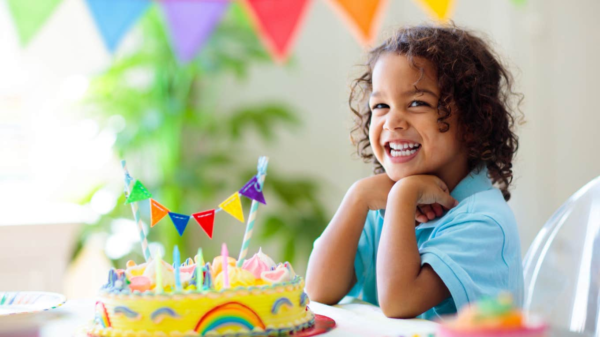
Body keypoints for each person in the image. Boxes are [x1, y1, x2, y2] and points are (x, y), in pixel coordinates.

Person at [305, 24, 525, 320]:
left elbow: (399, 302)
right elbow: (318, 290)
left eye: (418, 103)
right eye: (380, 105)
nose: (392, 121)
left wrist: (403, 196)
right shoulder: (379, 204)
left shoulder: (483, 222)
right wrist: (357, 197)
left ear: (473, 123)